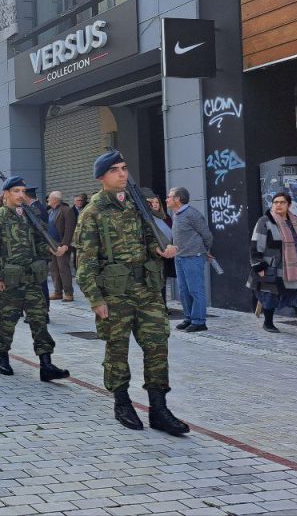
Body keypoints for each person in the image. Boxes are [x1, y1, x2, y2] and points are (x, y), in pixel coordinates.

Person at [74, 150, 189, 435]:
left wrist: (161, 249)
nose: (123, 174)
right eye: (115, 170)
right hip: (115, 293)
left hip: (147, 289)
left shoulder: (138, 204)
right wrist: (95, 299)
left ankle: (159, 408)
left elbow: (151, 238)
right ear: (102, 177)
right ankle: (122, 401)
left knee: (157, 346)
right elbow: (85, 262)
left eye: (124, 168)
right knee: (117, 349)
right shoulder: (93, 212)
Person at [0, 176, 70, 382]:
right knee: (7, 320)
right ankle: (2, 356)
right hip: (10, 280)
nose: (21, 195)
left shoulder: (29, 217)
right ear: (6, 194)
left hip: (32, 278)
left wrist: (52, 249)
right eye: (16, 191)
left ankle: (46, 364)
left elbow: (38, 245)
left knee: (39, 320)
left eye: (23, 191)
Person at [249, 192, 297, 339]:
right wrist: (258, 265)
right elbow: (256, 243)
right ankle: (268, 323)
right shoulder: (265, 221)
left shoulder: (295, 222)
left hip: (296, 269)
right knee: (270, 296)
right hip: (274, 268)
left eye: (282, 202)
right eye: (275, 202)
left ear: (289, 205)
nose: (278, 205)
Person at [166, 187, 213, 332]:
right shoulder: (176, 214)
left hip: (193, 257)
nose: (167, 199)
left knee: (195, 290)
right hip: (180, 257)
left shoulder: (192, 214)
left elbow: (207, 235)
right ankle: (189, 318)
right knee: (183, 290)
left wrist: (203, 251)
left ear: (178, 199)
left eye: (170, 196)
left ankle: (199, 321)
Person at [144, 188, 174, 305]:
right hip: (153, 256)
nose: (155, 205)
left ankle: (163, 306)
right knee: (154, 281)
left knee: (163, 282)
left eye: (157, 202)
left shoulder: (166, 218)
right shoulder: (148, 219)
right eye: (152, 203)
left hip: (166, 254)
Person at [47, 191, 77, 302]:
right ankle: (57, 292)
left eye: (49, 198)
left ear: (55, 199)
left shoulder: (66, 210)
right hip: (52, 245)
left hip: (61, 245)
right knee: (54, 269)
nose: (48, 200)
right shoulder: (51, 211)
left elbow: (69, 229)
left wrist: (65, 245)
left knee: (63, 269)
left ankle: (68, 293)